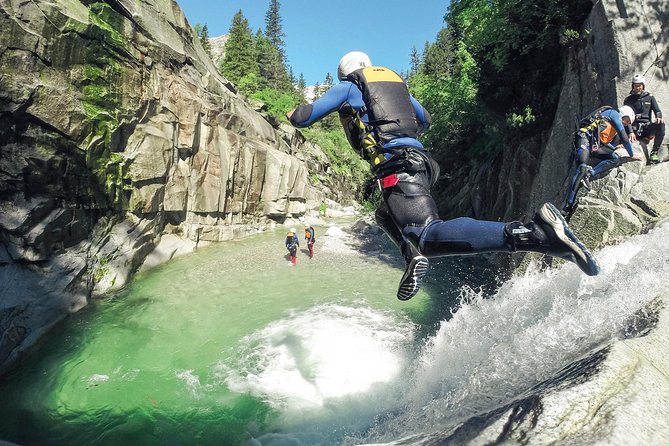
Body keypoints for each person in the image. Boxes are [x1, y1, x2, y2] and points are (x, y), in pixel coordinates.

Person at [287, 51, 600, 301]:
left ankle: (534, 233)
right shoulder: (394, 87)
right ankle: (410, 255)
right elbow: (425, 120)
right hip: (418, 161)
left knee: (426, 234)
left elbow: (304, 118)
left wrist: (292, 114)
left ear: (346, 72)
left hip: (397, 165)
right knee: (384, 212)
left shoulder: (350, 86)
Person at [563, 105, 643, 217]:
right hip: (583, 138)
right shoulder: (613, 114)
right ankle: (567, 206)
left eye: (628, 122)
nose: (625, 123)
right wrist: (632, 154)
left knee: (614, 158)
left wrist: (614, 148)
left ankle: (590, 174)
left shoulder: (612, 125)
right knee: (582, 169)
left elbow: (602, 141)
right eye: (626, 120)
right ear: (623, 114)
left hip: (593, 145)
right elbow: (625, 138)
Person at [623, 74, 665, 163]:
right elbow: (625, 118)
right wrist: (630, 131)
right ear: (633, 86)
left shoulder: (650, 97)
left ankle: (654, 152)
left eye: (639, 86)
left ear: (643, 86)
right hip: (634, 129)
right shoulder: (628, 100)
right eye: (636, 86)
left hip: (646, 128)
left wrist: (658, 117)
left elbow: (657, 111)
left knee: (661, 125)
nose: (638, 88)